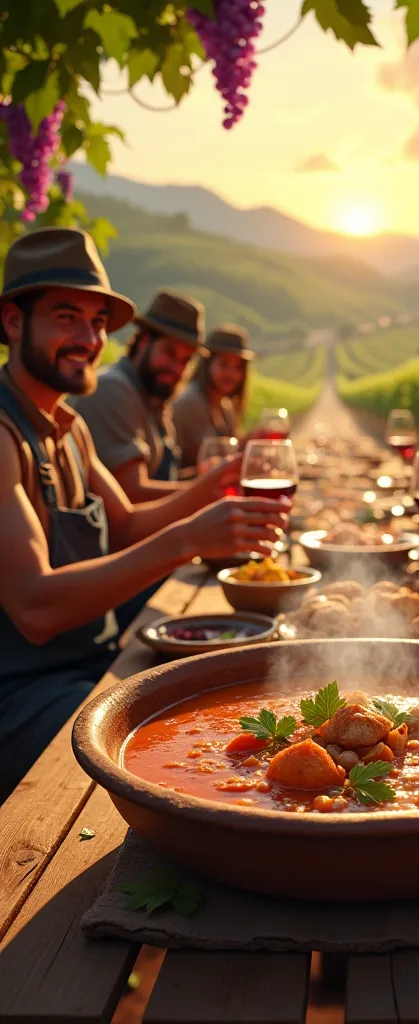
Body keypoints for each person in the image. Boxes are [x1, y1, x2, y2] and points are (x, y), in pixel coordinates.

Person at [0, 227, 287, 803]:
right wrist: (187, 538)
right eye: (66, 317)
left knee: (238, 703)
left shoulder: (67, 425)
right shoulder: (4, 434)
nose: (88, 338)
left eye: (98, 323)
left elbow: (127, 522)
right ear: (12, 322)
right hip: (27, 691)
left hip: (94, 657)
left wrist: (216, 483)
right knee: (196, 757)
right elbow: (34, 607)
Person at [73, 290, 205, 500]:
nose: (176, 368)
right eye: (169, 352)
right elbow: (133, 494)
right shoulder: (113, 390)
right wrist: (209, 489)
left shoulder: (153, 396)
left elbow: (160, 480)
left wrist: (204, 475)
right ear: (143, 341)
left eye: (185, 360)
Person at [172, 323, 254, 470]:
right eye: (224, 364)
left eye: (238, 368)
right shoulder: (191, 403)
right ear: (207, 364)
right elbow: (207, 462)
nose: (232, 374)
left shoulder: (224, 406)